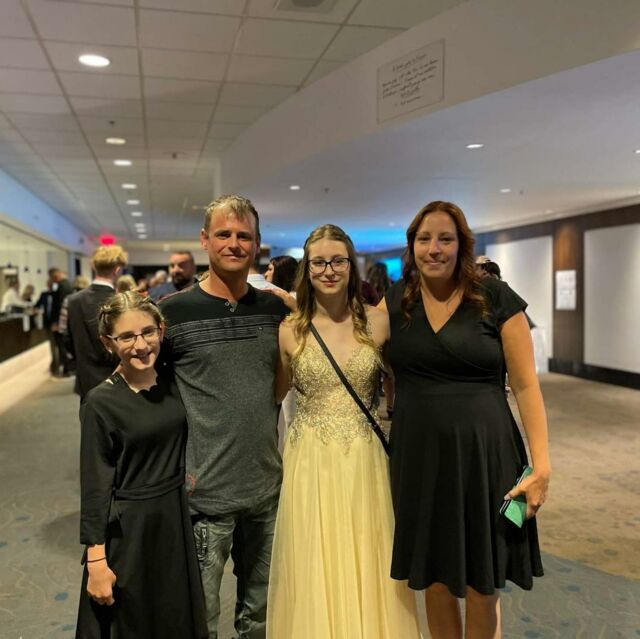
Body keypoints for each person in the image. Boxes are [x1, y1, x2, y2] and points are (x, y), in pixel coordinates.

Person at [380, 201, 549, 638]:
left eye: (445, 239)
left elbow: (526, 386)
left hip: (487, 454)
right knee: (433, 577)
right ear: (412, 245)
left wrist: (542, 467)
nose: (434, 249)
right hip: (418, 457)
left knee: (482, 581)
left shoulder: (495, 296)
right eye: (424, 239)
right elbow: (346, 331)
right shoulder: (397, 300)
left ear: (462, 245)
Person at [267, 224, 421, 639]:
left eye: (338, 261)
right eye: (319, 262)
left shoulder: (379, 322)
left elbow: (409, 379)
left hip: (364, 458)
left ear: (352, 266)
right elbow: (276, 396)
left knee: (369, 553)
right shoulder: (289, 330)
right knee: (314, 559)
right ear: (307, 269)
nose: (329, 270)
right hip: (310, 460)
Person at [159, 195, 289, 639]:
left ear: (257, 244)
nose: (234, 244)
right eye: (224, 234)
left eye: (244, 236)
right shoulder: (172, 314)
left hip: (266, 491)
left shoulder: (274, 311)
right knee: (201, 619)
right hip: (204, 496)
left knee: (260, 618)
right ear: (204, 240)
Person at [76, 291, 207, 639]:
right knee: (135, 622)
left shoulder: (172, 382)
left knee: (174, 618)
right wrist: (96, 562)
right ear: (108, 343)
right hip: (130, 532)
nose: (141, 345)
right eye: (127, 337)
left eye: (148, 332)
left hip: (174, 520)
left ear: (161, 331)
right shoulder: (100, 402)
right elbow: (95, 486)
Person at [64, 245, 128, 400]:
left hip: (86, 380)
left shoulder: (72, 300)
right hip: (119, 380)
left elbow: (67, 340)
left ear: (93, 266)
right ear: (117, 270)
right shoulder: (122, 302)